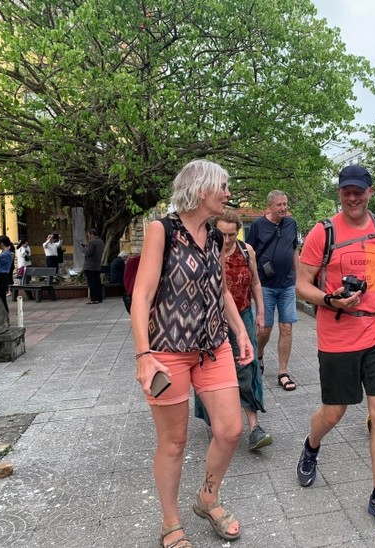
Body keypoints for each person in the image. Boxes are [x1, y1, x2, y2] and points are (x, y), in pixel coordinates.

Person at [131, 159, 253, 547]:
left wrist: (239, 331)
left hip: (213, 347)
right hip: (167, 350)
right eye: (224, 186)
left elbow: (219, 291)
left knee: (231, 429)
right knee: (174, 442)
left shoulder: (216, 237)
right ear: (201, 189)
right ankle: (171, 522)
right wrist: (142, 355)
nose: (228, 193)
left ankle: (207, 498)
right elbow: (143, 294)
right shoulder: (161, 230)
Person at [295, 165, 375, 536]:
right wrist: (331, 300)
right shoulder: (323, 232)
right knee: (334, 412)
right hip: (337, 336)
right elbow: (302, 285)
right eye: (346, 191)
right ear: (339, 193)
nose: (352, 197)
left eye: (358, 191)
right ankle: (311, 445)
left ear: (370, 191)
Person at [194, 210, 271, 451]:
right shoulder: (204, 251)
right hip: (210, 319)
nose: (227, 240)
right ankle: (217, 421)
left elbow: (256, 282)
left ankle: (254, 427)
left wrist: (261, 312)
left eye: (231, 234)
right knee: (210, 369)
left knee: (247, 367)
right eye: (222, 234)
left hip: (243, 313)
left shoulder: (246, 251)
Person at [245, 190, 299, 391]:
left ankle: (283, 372)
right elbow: (249, 252)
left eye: (285, 204)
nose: (283, 208)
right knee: (265, 328)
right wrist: (252, 280)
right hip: (265, 286)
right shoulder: (258, 225)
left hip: (287, 285)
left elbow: (294, 250)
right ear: (270, 206)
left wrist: (298, 277)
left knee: (286, 327)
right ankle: (258, 356)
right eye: (279, 205)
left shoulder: (291, 224)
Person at [81, 228, 104, 304]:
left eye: (89, 235)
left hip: (90, 266)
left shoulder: (91, 242)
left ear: (92, 234)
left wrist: (84, 248)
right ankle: (99, 298)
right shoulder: (101, 241)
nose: (88, 237)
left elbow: (88, 253)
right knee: (97, 282)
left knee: (91, 283)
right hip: (97, 265)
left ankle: (94, 298)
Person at [0, 236, 15, 312]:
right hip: (4, 275)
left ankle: (5, 313)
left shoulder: (4, 255)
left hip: (2, 276)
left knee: (1, 297)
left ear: (1, 244)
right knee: (1, 296)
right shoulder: (8, 252)